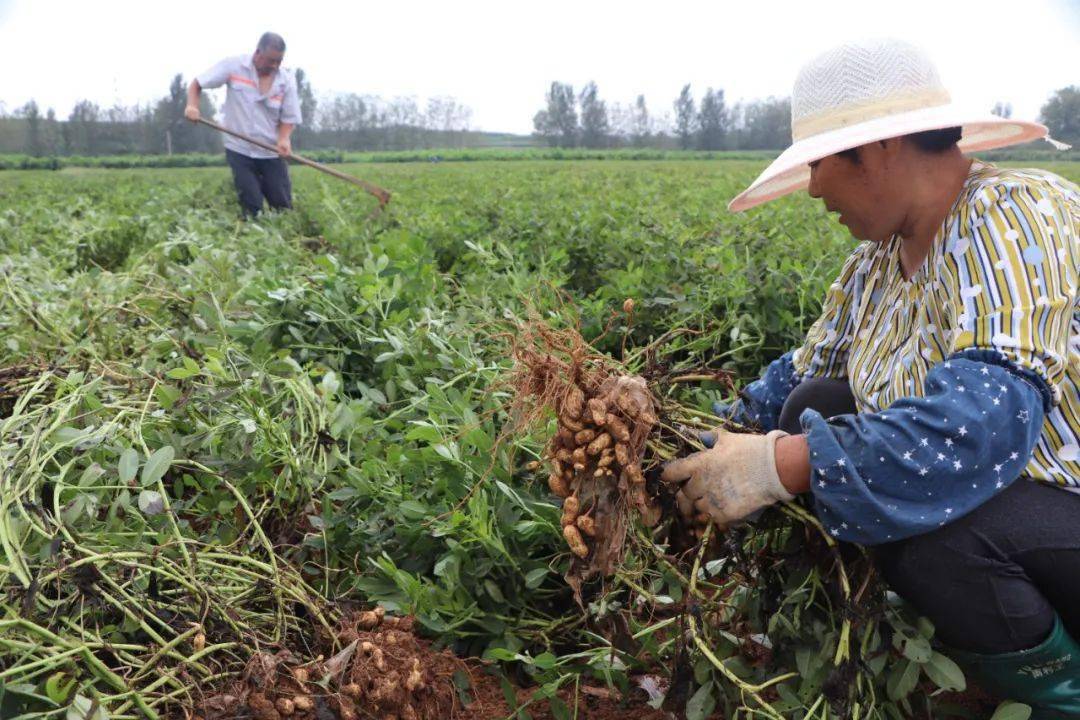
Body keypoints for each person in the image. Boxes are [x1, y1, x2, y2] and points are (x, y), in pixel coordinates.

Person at [661, 38, 1080, 717]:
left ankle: (1063, 699)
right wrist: (680, 442)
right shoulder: (877, 263)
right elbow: (794, 384)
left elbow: (983, 426)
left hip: (1062, 503)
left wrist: (782, 466)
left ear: (883, 147)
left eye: (822, 162)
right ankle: (977, 652)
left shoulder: (1013, 216)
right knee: (813, 404)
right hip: (1020, 519)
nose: (815, 186)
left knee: (942, 527)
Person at [185, 32, 302, 217]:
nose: (274, 66)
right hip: (239, 149)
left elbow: (289, 117)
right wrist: (192, 106)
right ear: (257, 53)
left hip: (270, 150)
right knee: (252, 204)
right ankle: (251, 233)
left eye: (279, 61)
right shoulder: (234, 66)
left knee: (282, 206)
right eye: (270, 60)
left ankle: (285, 239)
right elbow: (197, 84)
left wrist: (284, 139)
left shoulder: (286, 81)